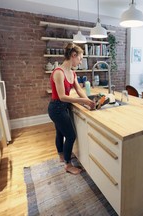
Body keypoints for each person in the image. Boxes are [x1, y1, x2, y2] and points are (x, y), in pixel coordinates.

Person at [48, 43, 95, 175]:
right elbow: (62, 97)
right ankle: (68, 165)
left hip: (63, 107)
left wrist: (87, 101)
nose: (80, 62)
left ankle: (62, 156)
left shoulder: (72, 73)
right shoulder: (59, 72)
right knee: (70, 135)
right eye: (80, 58)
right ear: (73, 56)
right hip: (56, 108)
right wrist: (83, 101)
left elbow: (79, 90)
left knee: (60, 133)